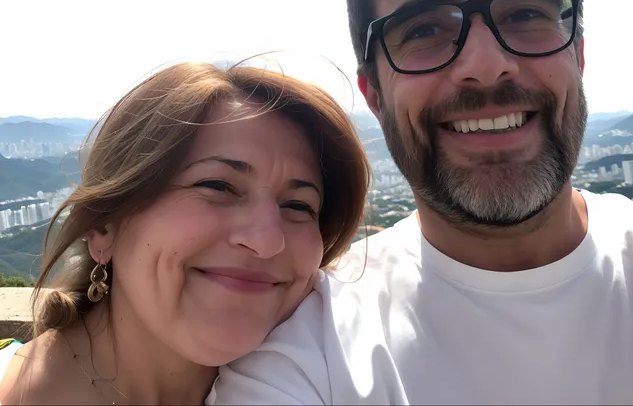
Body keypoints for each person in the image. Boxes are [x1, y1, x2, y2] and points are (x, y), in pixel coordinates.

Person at [210, 0, 633, 405]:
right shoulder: (306, 358)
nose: (485, 66)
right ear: (374, 94)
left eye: (525, 13)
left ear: (576, 54)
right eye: (423, 30)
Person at [0, 61, 370, 404]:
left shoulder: (326, 377)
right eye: (218, 186)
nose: (266, 240)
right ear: (102, 227)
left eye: (299, 206)